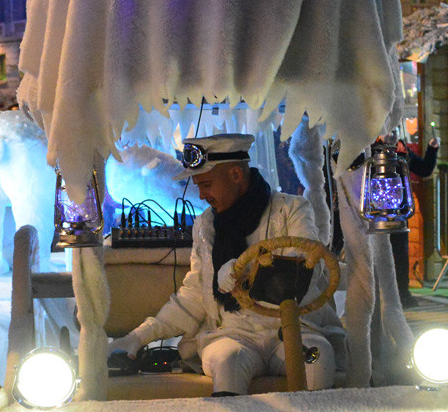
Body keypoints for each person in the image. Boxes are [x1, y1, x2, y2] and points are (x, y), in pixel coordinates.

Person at [108, 134, 346, 395]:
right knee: (227, 361)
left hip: (294, 330)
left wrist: (243, 273)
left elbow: (304, 263)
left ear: (235, 175)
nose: (202, 194)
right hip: (234, 336)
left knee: (316, 360)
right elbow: (194, 297)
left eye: (207, 184)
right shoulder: (206, 225)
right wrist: (137, 338)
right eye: (198, 185)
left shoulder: (292, 209)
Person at [388, 131, 439, 308]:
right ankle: (383, 294)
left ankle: (402, 294)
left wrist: (432, 151)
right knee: (381, 254)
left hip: (399, 210)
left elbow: (424, 169)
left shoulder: (402, 150)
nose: (392, 134)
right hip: (378, 211)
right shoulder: (371, 148)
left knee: (400, 254)